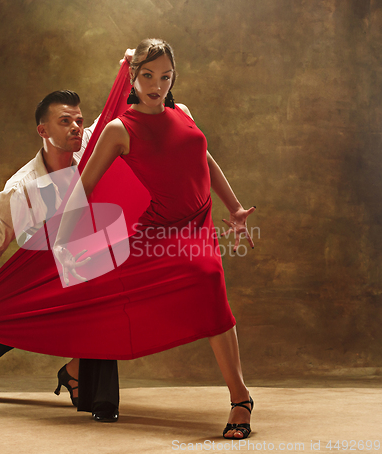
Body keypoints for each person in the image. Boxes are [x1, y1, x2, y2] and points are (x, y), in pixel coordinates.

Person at [53, 39, 256, 439]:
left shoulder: (182, 112)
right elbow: (85, 186)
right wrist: (63, 240)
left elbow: (204, 159)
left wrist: (233, 208)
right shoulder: (120, 129)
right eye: (147, 75)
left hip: (196, 224)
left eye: (165, 76)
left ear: (173, 77)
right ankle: (75, 367)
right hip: (157, 231)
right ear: (132, 76)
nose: (156, 85)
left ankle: (240, 398)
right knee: (117, 298)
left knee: (208, 278)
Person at [0, 90, 120, 420]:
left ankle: (98, 398)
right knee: (0, 322)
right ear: (43, 131)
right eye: (64, 121)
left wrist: (132, 70)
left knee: (102, 304)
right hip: (41, 277)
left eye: (78, 121)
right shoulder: (21, 189)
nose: (75, 127)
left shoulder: (89, 146)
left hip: (83, 266)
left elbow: (117, 109)